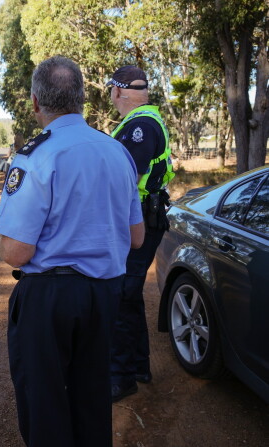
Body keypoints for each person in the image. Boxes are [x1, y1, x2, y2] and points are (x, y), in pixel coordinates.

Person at [0, 56, 145, 447]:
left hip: (50, 299)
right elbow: (137, 237)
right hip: (105, 293)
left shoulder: (35, 155)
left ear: (35, 103)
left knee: (43, 402)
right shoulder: (117, 152)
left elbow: (15, 252)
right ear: (81, 100)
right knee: (92, 396)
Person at [106, 65, 174, 402]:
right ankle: (139, 366)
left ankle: (121, 377)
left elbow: (124, 182)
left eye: (111, 92)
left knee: (120, 294)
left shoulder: (140, 127)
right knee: (129, 294)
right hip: (146, 217)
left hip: (140, 221)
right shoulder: (145, 121)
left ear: (118, 92)